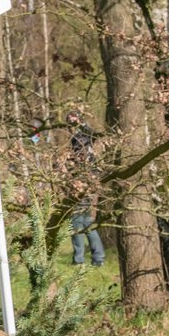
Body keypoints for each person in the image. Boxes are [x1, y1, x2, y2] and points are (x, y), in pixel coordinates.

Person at [67, 111, 105, 267]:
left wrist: (80, 122)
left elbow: (92, 133)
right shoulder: (75, 138)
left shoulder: (85, 136)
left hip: (86, 182)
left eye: (72, 120)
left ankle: (80, 260)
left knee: (77, 221)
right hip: (81, 182)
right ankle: (98, 258)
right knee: (85, 221)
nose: (70, 123)